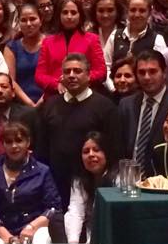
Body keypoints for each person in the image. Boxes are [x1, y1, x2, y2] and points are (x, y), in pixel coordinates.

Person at [37, 53, 119, 194]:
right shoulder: (50, 105)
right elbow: (41, 148)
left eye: (77, 71)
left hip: (92, 185)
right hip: (55, 182)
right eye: (67, 71)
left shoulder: (105, 107)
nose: (71, 75)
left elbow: (114, 149)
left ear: (88, 75)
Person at [0, 120, 61, 244]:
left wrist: (31, 227)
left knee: (41, 242)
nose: (14, 146)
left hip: (34, 229)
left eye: (19, 141)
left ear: (28, 142)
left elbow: (53, 208)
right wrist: (9, 238)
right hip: (1, 232)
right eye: (9, 142)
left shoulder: (42, 171)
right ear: (3, 144)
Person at [119, 50, 168, 172]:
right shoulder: (126, 104)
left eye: (152, 71)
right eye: (141, 72)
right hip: (129, 176)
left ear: (164, 73)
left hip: (163, 176)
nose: (147, 77)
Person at [35, 0, 107, 95]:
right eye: (65, 12)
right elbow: (40, 75)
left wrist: (79, 80)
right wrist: (57, 84)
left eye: (73, 13)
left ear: (80, 15)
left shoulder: (92, 39)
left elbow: (101, 71)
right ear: (59, 15)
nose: (69, 16)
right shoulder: (48, 42)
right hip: (56, 94)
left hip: (85, 93)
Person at [66, 132, 112, 244]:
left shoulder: (118, 178)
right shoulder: (79, 180)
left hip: (109, 238)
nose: (91, 154)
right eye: (86, 151)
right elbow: (76, 211)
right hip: (88, 240)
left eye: (96, 150)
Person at [5, 3, 46, 104]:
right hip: (20, 104)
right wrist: (30, 104)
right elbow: (10, 80)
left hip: (48, 101)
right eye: (23, 20)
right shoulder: (11, 47)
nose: (28, 24)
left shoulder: (52, 43)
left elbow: (56, 76)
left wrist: (41, 102)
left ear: (41, 20)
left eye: (32, 19)